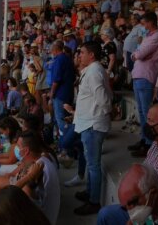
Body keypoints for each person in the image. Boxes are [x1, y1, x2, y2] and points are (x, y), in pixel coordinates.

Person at [68, 41, 112, 215]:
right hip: (90, 123)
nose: (80, 55)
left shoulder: (94, 72)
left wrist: (99, 115)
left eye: (83, 52)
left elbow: (104, 101)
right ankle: (89, 193)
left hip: (93, 124)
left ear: (91, 55)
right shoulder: (94, 70)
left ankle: (94, 202)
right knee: (91, 162)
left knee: (93, 165)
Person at [132, 12, 158, 155]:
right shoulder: (148, 36)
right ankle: (144, 140)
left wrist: (137, 54)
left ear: (151, 22)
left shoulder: (156, 36)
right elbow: (137, 52)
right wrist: (137, 53)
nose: (143, 26)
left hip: (146, 76)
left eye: (144, 23)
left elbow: (140, 54)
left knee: (147, 113)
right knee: (141, 112)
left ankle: (150, 145)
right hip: (138, 75)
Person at [48, 40, 77, 142]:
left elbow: (56, 80)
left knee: (61, 120)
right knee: (67, 118)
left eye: (52, 50)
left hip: (60, 94)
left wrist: (51, 93)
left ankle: (66, 144)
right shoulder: (67, 58)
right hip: (68, 92)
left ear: (55, 49)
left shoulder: (59, 60)